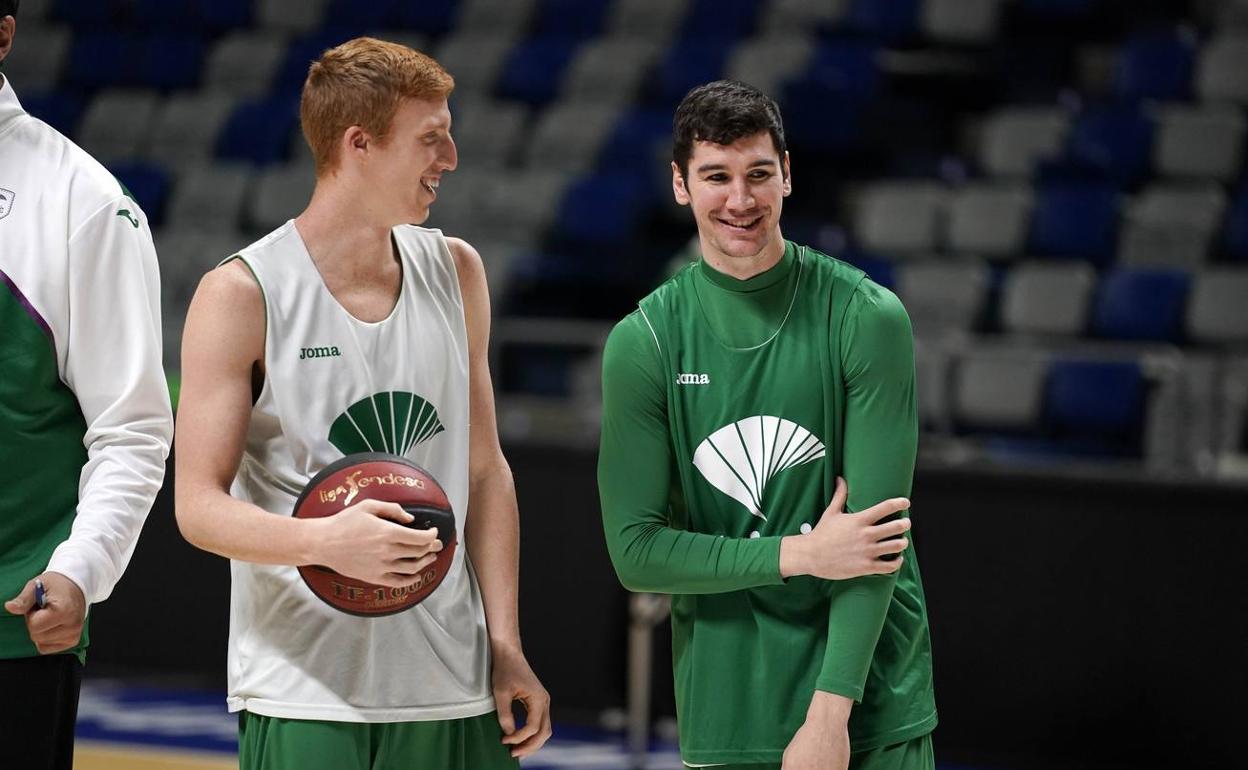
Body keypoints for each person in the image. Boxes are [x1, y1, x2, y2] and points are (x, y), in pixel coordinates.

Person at [174, 37, 550, 769]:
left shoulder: (458, 270)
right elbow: (196, 507)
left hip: (454, 685)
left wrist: (505, 644)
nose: (452, 157)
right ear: (360, 145)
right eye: (432, 139)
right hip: (305, 690)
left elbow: (484, 473)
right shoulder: (242, 292)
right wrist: (324, 542)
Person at [598, 80, 937, 770]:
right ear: (680, 185)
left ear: (787, 172)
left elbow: (876, 541)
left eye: (758, 174)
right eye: (716, 177)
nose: (740, 200)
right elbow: (636, 553)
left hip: (868, 705)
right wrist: (802, 554)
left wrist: (829, 715)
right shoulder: (646, 341)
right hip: (728, 702)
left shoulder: (866, 317)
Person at [0, 1, 175, 768]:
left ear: (3, 36)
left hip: (10, 633)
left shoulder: (82, 201)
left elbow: (133, 428)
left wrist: (81, 569)